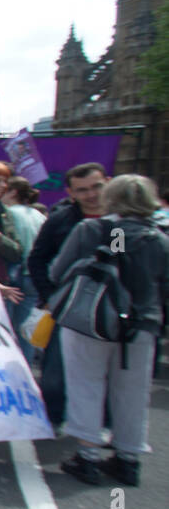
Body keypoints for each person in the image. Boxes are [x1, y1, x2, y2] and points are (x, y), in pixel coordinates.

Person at [51, 175, 169, 487]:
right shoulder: (160, 238)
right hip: (142, 325)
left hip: (91, 321)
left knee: (86, 385)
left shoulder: (92, 229)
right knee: (133, 392)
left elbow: (57, 271)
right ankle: (128, 459)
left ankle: (87, 456)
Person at [27, 162, 109, 425]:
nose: (92, 195)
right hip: (68, 305)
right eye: (83, 190)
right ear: (71, 193)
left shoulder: (118, 222)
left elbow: (118, 259)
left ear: (108, 182)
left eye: (96, 186)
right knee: (55, 369)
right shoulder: (61, 221)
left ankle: (103, 423)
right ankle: (54, 418)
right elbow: (38, 259)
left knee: (109, 369)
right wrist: (50, 296)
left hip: (109, 306)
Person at [0, 176, 45, 350]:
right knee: (25, 334)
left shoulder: (9, 213)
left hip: (14, 275)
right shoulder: (38, 215)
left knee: (6, 331)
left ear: (13, 192)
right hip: (34, 277)